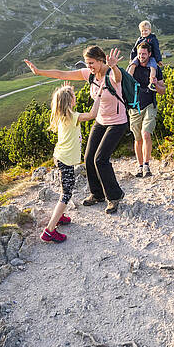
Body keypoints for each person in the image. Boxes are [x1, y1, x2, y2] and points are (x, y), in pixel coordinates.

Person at [24, 46, 128, 214]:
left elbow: (118, 78)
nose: (89, 66)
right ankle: (97, 194)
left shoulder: (111, 73)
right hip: (101, 121)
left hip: (117, 122)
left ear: (101, 60)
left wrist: (114, 66)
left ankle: (115, 196)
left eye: (91, 63)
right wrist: (39, 72)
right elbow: (62, 74)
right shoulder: (89, 74)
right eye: (87, 63)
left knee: (100, 159)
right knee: (88, 158)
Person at [41, 83, 98, 243]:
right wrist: (99, 95)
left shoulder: (63, 115)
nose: (75, 97)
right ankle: (49, 231)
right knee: (66, 194)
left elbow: (67, 100)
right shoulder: (73, 117)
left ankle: (59, 216)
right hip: (65, 160)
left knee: (65, 190)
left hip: (61, 157)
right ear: (69, 101)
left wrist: (67, 91)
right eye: (73, 96)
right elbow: (92, 114)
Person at [126, 44, 160, 178]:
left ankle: (146, 165)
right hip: (134, 107)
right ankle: (140, 167)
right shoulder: (133, 67)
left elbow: (163, 90)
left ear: (149, 54)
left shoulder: (155, 68)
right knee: (138, 138)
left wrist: (156, 85)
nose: (141, 56)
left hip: (150, 104)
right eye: (139, 54)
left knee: (146, 134)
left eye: (144, 54)